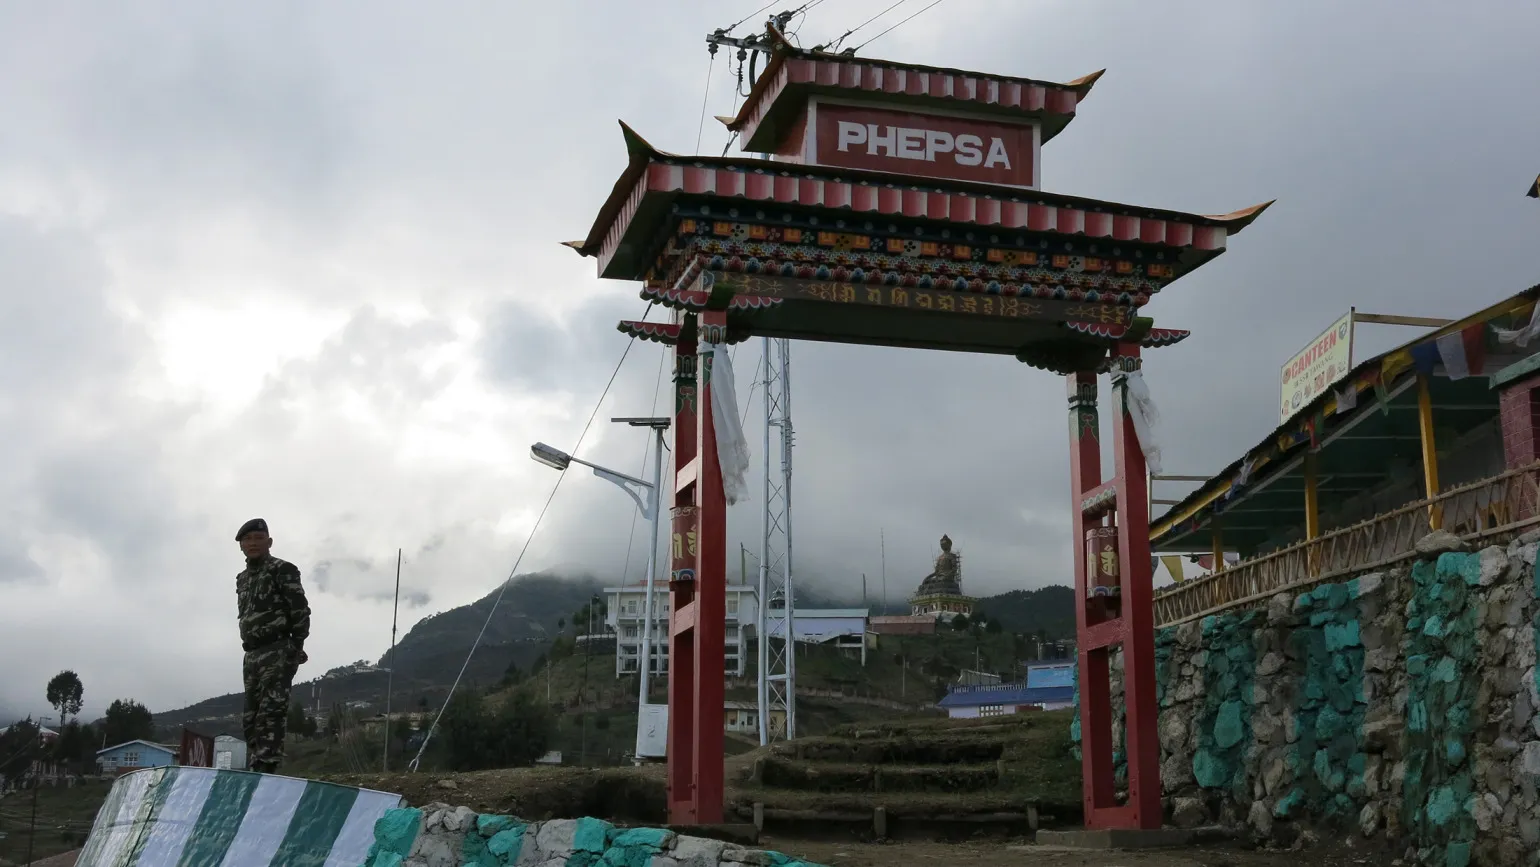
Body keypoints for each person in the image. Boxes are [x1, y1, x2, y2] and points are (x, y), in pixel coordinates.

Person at [234, 518, 310, 774]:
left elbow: (300, 610)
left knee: (271, 712)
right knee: (250, 717)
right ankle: (257, 764)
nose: (253, 543)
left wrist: (295, 646)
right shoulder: (242, 579)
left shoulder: (282, 569)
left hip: (277, 649)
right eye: (247, 539)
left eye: (258, 538)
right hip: (251, 653)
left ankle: (267, 768)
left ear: (269, 542)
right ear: (241, 546)